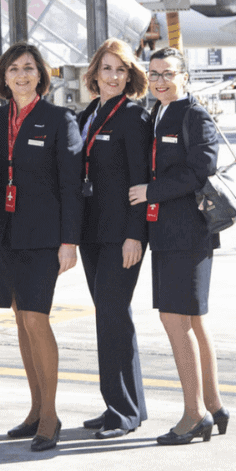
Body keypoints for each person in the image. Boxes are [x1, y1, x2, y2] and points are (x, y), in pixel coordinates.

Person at [0, 42, 82, 452]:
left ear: (40, 74)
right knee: (21, 320)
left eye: (28, 68)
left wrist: (69, 241)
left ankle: (52, 415)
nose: (21, 75)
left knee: (37, 320)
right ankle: (36, 407)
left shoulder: (59, 119)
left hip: (43, 236)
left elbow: (71, 187)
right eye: (13, 69)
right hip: (5, 232)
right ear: (3, 77)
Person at [128, 47, 228, 445]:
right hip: (168, 233)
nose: (159, 81)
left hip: (188, 234)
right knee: (194, 321)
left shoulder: (193, 114)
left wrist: (151, 191)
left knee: (175, 321)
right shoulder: (158, 113)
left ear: (184, 77)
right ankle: (214, 404)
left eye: (168, 73)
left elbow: (203, 167)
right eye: (153, 74)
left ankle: (194, 414)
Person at [77, 39, 150, 439]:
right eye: (107, 69)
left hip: (121, 236)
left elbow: (141, 181)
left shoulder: (133, 117)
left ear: (130, 75)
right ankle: (123, 405)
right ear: (94, 73)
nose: (114, 76)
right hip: (92, 233)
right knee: (111, 317)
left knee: (112, 315)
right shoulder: (90, 114)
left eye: (121, 70)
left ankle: (122, 411)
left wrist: (134, 236)